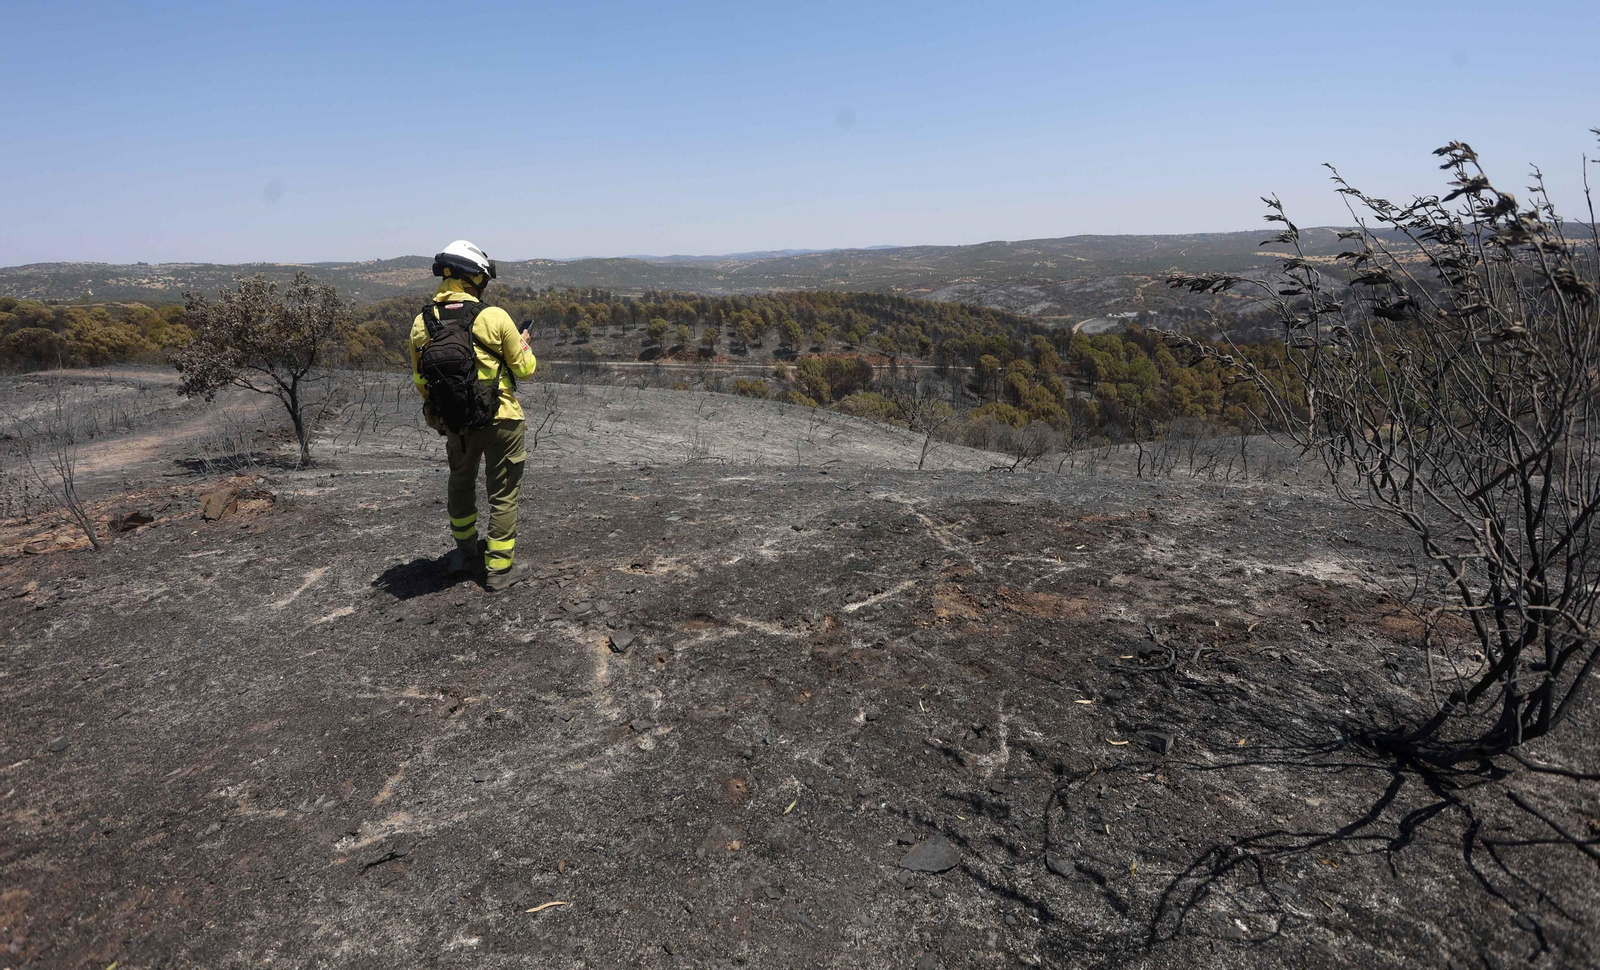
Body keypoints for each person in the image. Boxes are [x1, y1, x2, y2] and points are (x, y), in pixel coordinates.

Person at [410, 240, 537, 591]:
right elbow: (525, 369)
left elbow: (422, 382)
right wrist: (523, 342)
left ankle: (465, 553)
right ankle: (499, 569)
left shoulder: (421, 324)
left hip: (457, 422)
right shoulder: (494, 317)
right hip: (503, 419)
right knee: (503, 493)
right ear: (474, 279)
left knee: (461, 484)